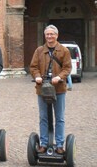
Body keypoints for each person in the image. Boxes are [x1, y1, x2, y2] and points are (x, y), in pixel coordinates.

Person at [30, 25, 72, 154]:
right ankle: (43, 143)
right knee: (43, 117)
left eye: (52, 34)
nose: (49, 36)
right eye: (47, 34)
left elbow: (67, 68)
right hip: (42, 89)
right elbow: (33, 67)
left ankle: (59, 145)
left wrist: (59, 76)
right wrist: (37, 76)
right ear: (45, 36)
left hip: (59, 89)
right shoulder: (39, 50)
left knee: (59, 118)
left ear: (56, 35)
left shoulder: (64, 50)